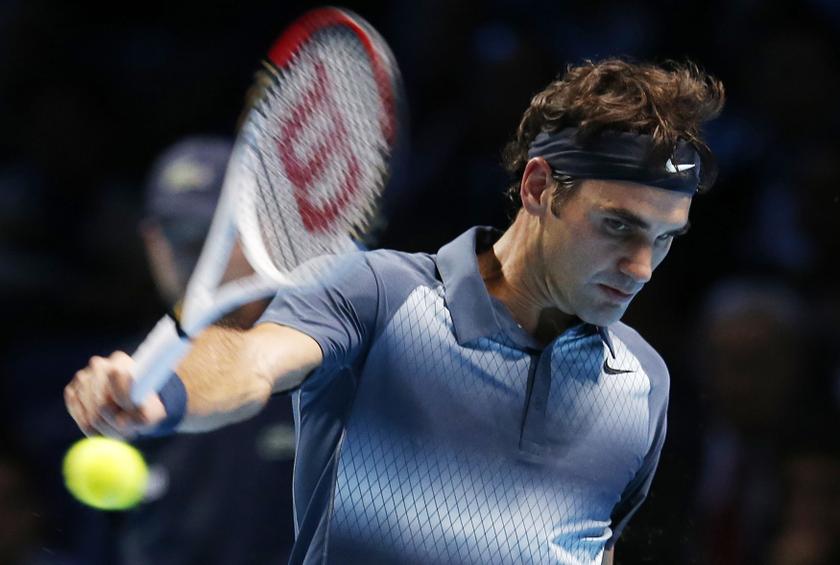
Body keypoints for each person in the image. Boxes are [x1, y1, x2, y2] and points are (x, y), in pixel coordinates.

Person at [65, 58, 725, 565]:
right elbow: (250, 359)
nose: (641, 267)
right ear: (539, 187)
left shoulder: (644, 383)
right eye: (616, 227)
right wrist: (167, 394)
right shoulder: (380, 294)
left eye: (664, 240)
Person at [123, 137, 297, 564]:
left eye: (208, 237)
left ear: (261, 235)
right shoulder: (127, 375)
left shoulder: (326, 358)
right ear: (151, 241)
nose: (189, 257)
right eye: (173, 234)